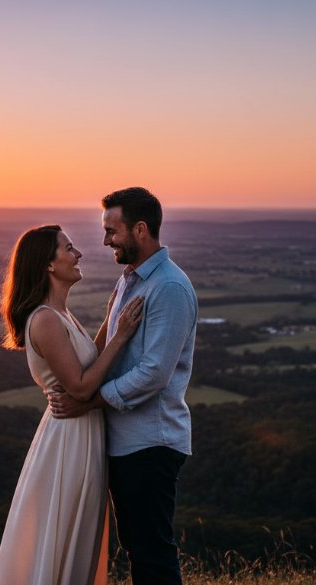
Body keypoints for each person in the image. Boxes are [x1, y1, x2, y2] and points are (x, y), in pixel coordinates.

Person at [47, 187, 197, 585]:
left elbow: (153, 374)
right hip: (126, 442)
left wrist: (89, 402)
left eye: (112, 231)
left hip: (152, 441)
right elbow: (106, 345)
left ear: (141, 229)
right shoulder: (130, 281)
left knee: (153, 553)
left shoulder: (168, 288)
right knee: (138, 549)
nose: (105, 240)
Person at [0, 224, 145, 585]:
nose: (78, 255)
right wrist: (120, 337)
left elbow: (85, 366)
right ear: (48, 264)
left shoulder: (60, 314)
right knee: (64, 533)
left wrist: (110, 319)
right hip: (68, 441)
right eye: (69, 248)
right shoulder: (45, 319)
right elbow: (79, 387)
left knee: (78, 533)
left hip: (83, 434)